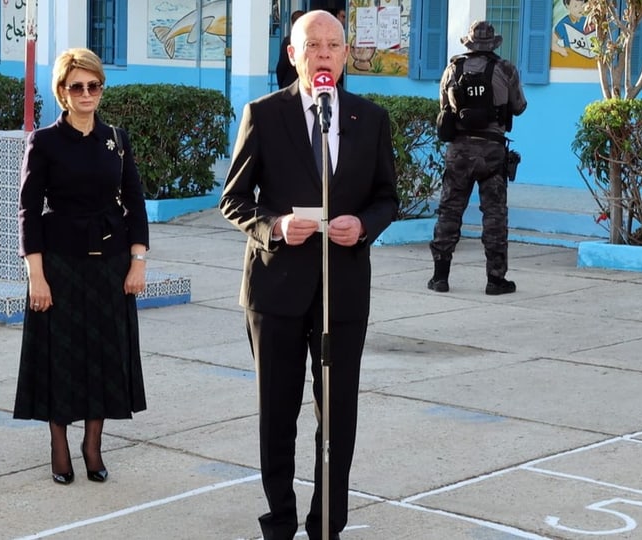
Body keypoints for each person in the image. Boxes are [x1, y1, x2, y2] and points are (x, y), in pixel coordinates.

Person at [220, 10, 397, 540]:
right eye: (312, 45)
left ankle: (326, 525)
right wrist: (275, 226)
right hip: (275, 290)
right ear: (293, 54)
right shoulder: (263, 113)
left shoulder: (370, 118)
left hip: (341, 291)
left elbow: (388, 197)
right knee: (277, 414)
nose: (323, 54)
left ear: (345, 55)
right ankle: (279, 520)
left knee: (337, 417)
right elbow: (234, 200)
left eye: (332, 45)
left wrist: (362, 225)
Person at [13, 47, 149, 486]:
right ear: (62, 92)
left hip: (110, 265)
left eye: (94, 85)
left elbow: (136, 205)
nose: (87, 93)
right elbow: (28, 211)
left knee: (104, 357)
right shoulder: (45, 142)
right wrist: (36, 274)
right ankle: (59, 444)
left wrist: (137, 262)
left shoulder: (117, 140)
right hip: (61, 266)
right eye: (77, 86)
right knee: (62, 359)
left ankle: (93, 445)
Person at [428, 20, 527, 296]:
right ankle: (495, 280)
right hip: (492, 152)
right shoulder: (505, 69)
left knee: (449, 211)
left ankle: (440, 277)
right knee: (494, 216)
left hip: (458, 151)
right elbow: (519, 107)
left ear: (469, 44)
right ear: (493, 43)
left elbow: (444, 108)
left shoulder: (453, 68)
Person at [275, 10, 305, 89]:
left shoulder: (288, 41)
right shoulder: (312, 41)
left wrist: (281, 85)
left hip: (289, 85)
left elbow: (281, 67)